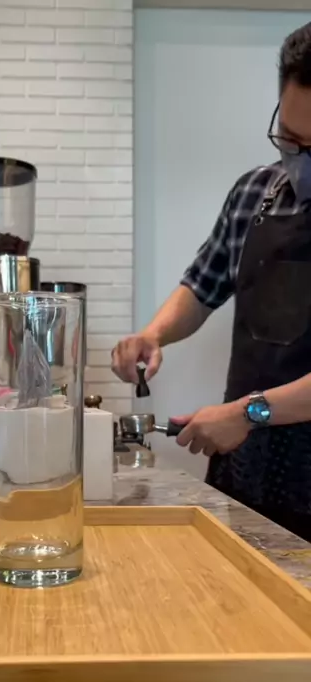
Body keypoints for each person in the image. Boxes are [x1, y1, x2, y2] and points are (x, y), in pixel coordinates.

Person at [112, 23, 311, 542]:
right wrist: (154, 334)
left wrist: (248, 412)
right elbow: (202, 286)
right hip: (245, 468)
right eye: (291, 141)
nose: (302, 164)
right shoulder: (255, 193)